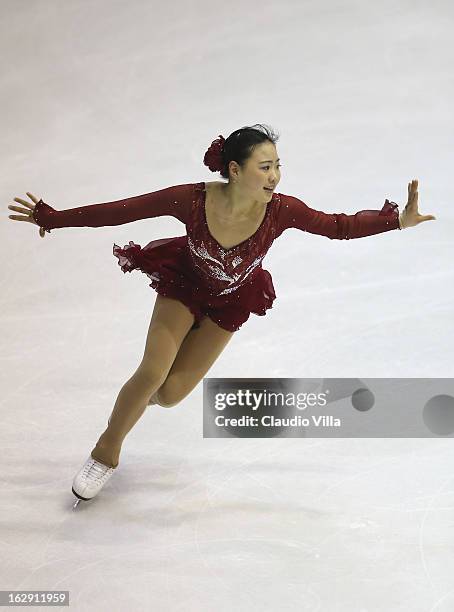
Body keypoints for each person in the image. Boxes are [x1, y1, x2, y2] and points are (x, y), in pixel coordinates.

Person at [8, 124, 436, 506]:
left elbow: (335, 225)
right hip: (184, 288)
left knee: (170, 395)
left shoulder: (282, 210)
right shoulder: (191, 200)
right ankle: (107, 449)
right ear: (234, 169)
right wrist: (53, 218)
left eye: (277, 166)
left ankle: (138, 405)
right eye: (265, 167)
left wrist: (397, 220)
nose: (275, 176)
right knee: (152, 372)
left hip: (231, 301)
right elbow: (123, 210)